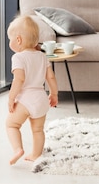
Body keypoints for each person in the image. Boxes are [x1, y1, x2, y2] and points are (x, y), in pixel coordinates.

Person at [5, 15, 58, 165]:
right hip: (41, 98)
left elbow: (19, 80)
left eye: (11, 39)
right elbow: (51, 78)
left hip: (25, 100)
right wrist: (54, 94)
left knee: (12, 125)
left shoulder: (18, 57)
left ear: (19, 40)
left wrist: (11, 98)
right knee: (38, 130)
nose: (10, 42)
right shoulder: (43, 57)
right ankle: (36, 154)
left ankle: (18, 149)